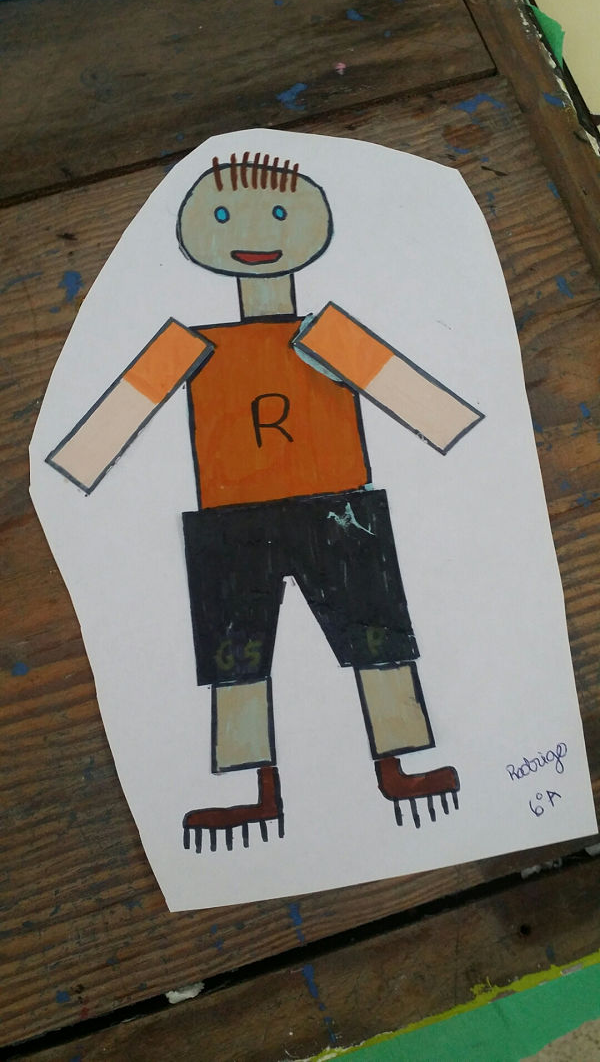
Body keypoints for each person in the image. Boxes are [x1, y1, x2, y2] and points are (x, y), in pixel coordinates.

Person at [48, 151, 483, 853]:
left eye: (281, 213)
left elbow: (427, 407)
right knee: (236, 654)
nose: (254, 234)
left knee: (378, 637)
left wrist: (468, 454)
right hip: (232, 519)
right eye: (223, 216)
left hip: (339, 507)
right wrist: (74, 470)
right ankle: (258, 784)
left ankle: (395, 763)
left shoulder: (329, 334)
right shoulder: (189, 344)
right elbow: (99, 438)